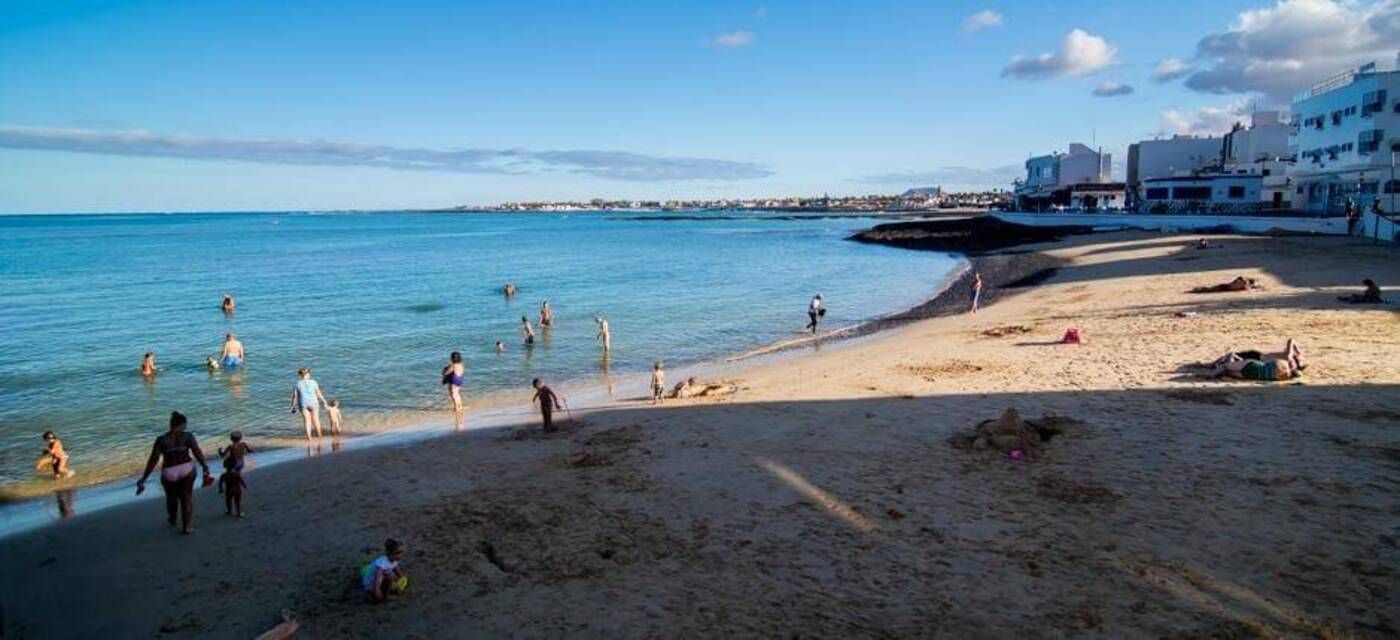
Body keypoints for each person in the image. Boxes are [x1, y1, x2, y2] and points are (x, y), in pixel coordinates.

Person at [136, 411, 212, 534]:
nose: (186, 426)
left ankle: (172, 518)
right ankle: (187, 527)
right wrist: (205, 466)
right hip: (186, 468)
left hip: (169, 471)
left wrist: (143, 479)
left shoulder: (161, 439)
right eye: (185, 424)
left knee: (171, 498)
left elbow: (153, 460)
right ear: (182, 424)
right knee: (186, 497)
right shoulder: (188, 436)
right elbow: (197, 452)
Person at [361, 538, 409, 603]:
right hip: (371, 583)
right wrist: (377, 590)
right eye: (397, 553)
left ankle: (386, 590)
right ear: (389, 552)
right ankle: (385, 596)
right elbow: (377, 578)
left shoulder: (394, 559)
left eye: (402, 553)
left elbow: (396, 569)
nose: (400, 556)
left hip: (378, 579)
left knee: (393, 577)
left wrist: (403, 579)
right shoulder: (382, 563)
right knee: (390, 576)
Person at [290, 368, 329, 439]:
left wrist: (293, 406)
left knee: (307, 421)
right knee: (316, 420)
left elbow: (295, 396)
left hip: (303, 403)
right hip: (313, 402)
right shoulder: (314, 382)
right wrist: (324, 401)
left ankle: (309, 438)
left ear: (300, 375)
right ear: (307, 374)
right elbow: (318, 393)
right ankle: (320, 436)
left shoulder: (297, 384)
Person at [1208, 354, 1299, 381]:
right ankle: (1214, 373)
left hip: (1254, 366)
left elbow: (1265, 362)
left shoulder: (1283, 363)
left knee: (1226, 365)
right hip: (1253, 376)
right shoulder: (1284, 378)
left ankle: (1210, 374)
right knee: (1227, 371)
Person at [442, 352, 466, 430]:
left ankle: (456, 408)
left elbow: (447, 372)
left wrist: (445, 370)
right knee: (457, 394)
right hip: (460, 380)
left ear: (452, 358)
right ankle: (460, 406)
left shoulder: (453, 365)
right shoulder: (461, 364)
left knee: (453, 394)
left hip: (454, 380)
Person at [1190, 276, 1259, 293]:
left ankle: (1197, 289)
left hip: (1226, 286)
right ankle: (1197, 289)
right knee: (1210, 290)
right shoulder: (1245, 285)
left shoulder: (1244, 284)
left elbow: (1238, 278)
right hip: (1225, 287)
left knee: (1210, 289)